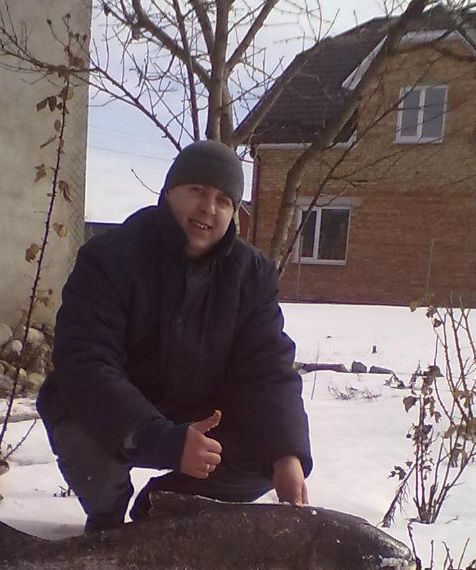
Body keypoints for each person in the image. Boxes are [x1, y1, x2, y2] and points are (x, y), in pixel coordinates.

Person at [36, 139, 312, 532]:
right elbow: (86, 363)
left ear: (233, 213)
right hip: (117, 417)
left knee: (266, 450)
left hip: (197, 420)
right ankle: (108, 522)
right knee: (75, 414)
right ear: (169, 192)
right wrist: (161, 438)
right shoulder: (109, 258)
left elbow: (266, 372)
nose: (208, 208)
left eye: (223, 200)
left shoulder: (253, 277)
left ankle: (162, 516)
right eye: (197, 190)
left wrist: (288, 453)